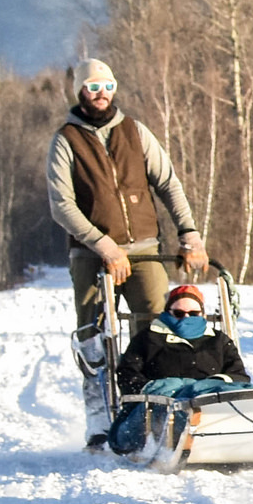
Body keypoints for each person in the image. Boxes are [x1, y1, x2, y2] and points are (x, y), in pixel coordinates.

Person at [48, 57, 209, 447]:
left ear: (114, 89)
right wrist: (103, 245)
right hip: (90, 255)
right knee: (93, 334)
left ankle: (150, 412)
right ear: (80, 92)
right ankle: (99, 419)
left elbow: (168, 184)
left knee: (155, 328)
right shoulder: (66, 140)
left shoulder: (135, 132)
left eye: (106, 86)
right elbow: (61, 205)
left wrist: (190, 234)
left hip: (144, 250)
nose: (100, 94)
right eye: (92, 87)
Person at [108, 284, 250, 455]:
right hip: (159, 408)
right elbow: (127, 376)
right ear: (168, 312)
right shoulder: (148, 338)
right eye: (179, 313)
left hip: (210, 402)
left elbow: (239, 377)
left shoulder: (219, 341)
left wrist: (203, 387)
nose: (186, 317)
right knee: (176, 407)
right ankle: (175, 437)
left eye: (193, 314)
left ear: (202, 314)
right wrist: (166, 388)